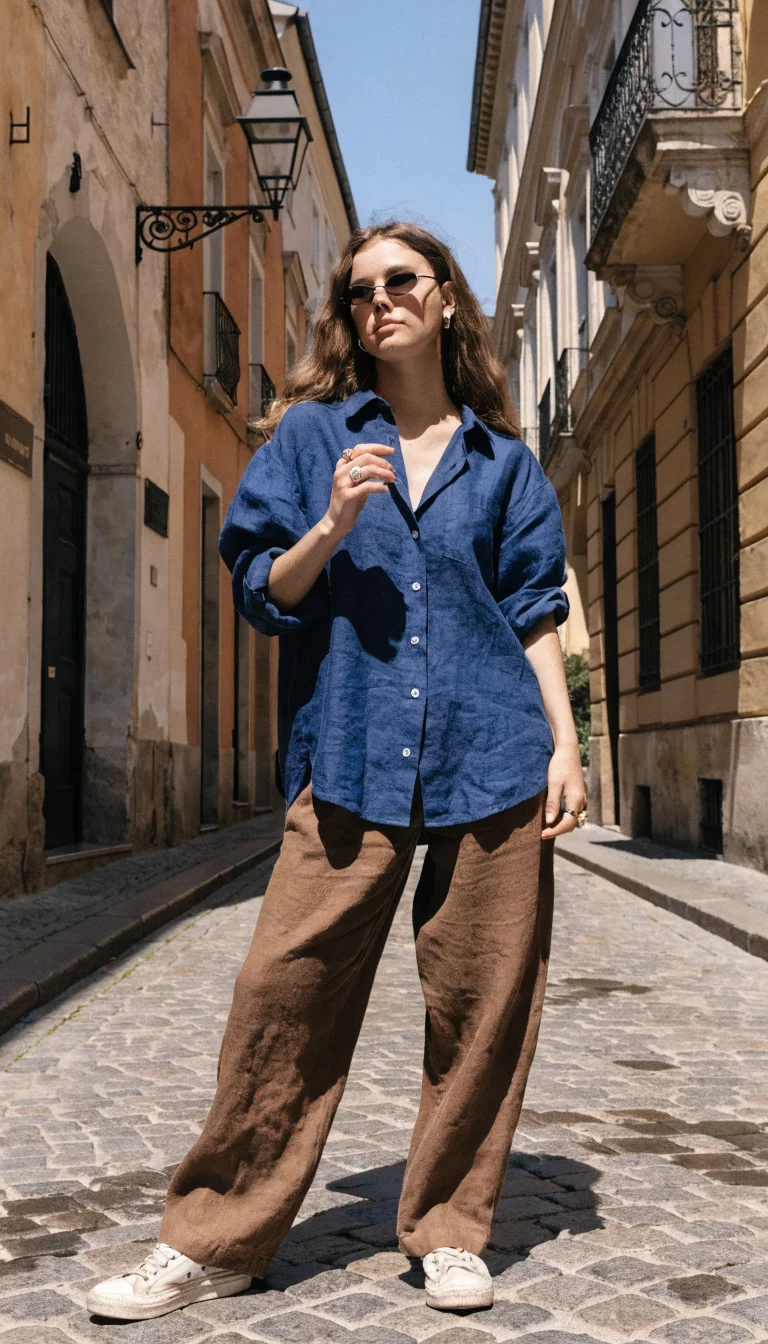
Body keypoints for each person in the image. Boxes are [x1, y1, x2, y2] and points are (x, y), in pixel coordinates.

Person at [87, 221, 587, 1323]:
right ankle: (212, 1239)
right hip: (352, 750)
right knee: (283, 991)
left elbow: (535, 612)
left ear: (445, 298)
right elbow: (265, 586)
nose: (380, 302)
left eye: (401, 281)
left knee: (481, 1002)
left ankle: (451, 1229)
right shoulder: (314, 439)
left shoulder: (503, 462)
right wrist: (333, 522)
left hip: (492, 752)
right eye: (360, 291)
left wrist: (566, 743)